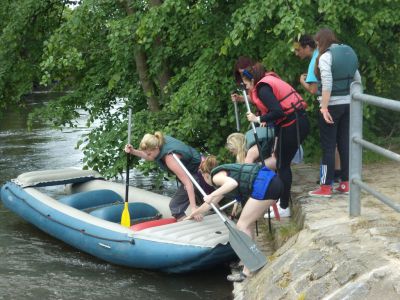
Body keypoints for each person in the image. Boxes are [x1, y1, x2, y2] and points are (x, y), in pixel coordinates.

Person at [185, 155, 283, 282]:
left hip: (266, 185)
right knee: (248, 224)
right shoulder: (224, 175)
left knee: (241, 225)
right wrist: (195, 213)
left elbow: (232, 184)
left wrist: (212, 194)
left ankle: (247, 271)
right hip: (273, 183)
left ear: (205, 175)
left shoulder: (216, 177)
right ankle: (245, 261)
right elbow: (211, 203)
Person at [240, 63, 310, 217]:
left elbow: (278, 112)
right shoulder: (266, 82)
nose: (245, 87)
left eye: (246, 84)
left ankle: (284, 207)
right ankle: (281, 202)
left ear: (252, 80)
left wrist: (258, 118)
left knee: (282, 165)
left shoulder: (263, 88)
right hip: (292, 123)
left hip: (294, 125)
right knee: (279, 161)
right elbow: (278, 113)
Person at [309, 28, 361, 197]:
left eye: (317, 43)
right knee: (345, 144)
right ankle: (346, 184)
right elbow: (357, 80)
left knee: (328, 147)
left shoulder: (326, 56)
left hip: (331, 106)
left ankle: (325, 187)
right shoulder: (349, 52)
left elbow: (327, 83)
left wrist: (324, 107)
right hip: (349, 105)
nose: (317, 47)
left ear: (321, 41)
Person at [124, 131, 211, 221]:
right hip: (201, 166)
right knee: (205, 199)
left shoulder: (170, 159)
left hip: (199, 173)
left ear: (156, 148)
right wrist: (133, 151)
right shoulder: (159, 140)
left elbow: (188, 183)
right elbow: (150, 156)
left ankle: (189, 225)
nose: (147, 156)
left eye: (149, 153)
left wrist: (193, 208)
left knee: (175, 206)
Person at [295, 34, 342, 182]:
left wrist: (302, 81)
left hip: (327, 104)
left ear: (308, 47)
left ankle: (325, 180)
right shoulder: (328, 54)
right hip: (343, 101)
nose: (296, 53)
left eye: (298, 50)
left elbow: (313, 89)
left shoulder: (315, 60)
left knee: (328, 144)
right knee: (338, 142)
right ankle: (339, 173)